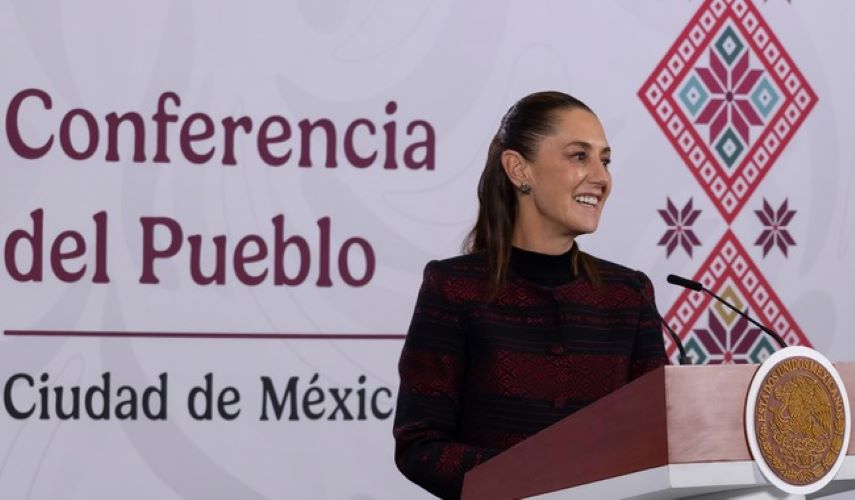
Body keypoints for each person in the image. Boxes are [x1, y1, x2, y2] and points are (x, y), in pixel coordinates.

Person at [392, 91, 668, 499]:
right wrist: (532, 477)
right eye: (580, 156)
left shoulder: (629, 295)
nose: (601, 177)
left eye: (605, 161)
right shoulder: (453, 287)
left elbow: (658, 439)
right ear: (519, 169)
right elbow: (420, 445)